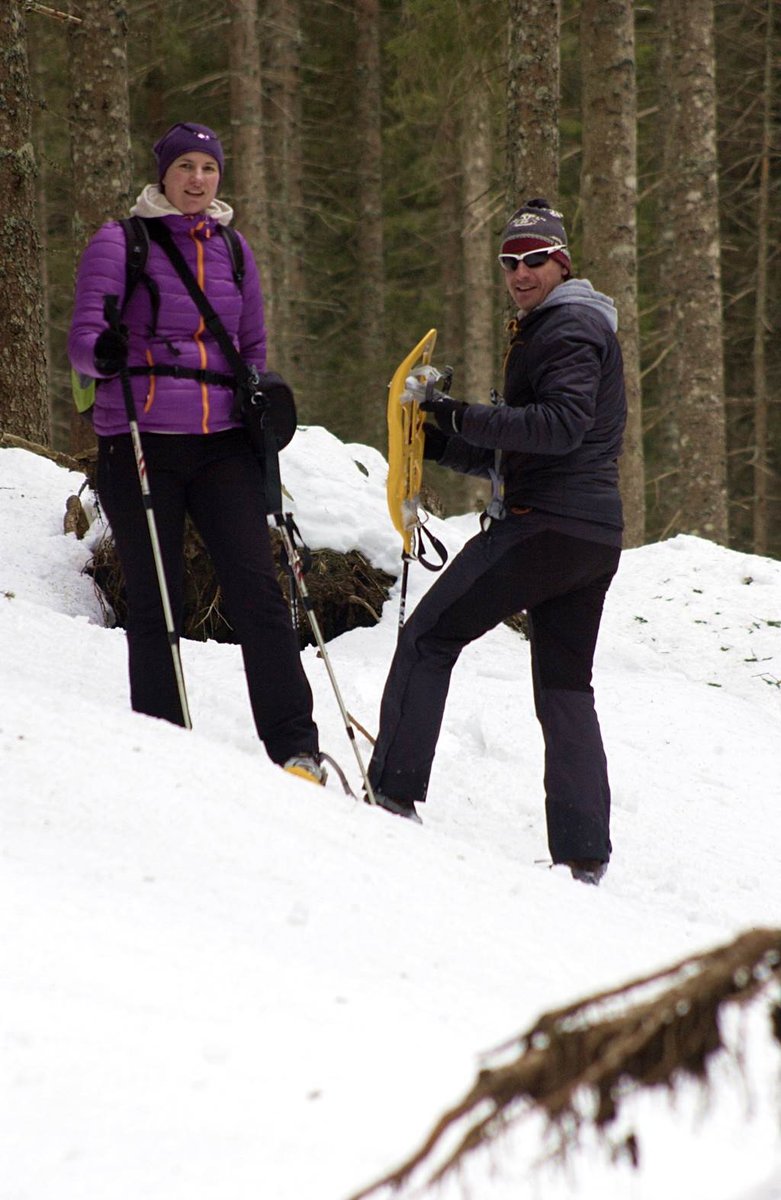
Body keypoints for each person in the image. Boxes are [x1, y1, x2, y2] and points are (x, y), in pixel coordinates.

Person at [367, 198, 626, 885]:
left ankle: (391, 794)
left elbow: (557, 427)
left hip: (544, 526)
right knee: (565, 688)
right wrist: (442, 440)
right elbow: (525, 448)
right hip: (590, 534)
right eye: (509, 261)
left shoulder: (567, 326)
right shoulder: (561, 326)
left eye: (533, 259)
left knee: (427, 638)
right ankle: (584, 854)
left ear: (560, 262)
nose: (520, 272)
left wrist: (456, 411)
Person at [68, 121, 324, 785]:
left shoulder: (234, 250)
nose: (197, 180)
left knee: (258, 595)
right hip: (140, 440)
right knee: (157, 598)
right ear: (163, 174)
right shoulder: (119, 242)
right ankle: (163, 743)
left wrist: (260, 397)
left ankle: (295, 748)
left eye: (207, 169)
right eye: (185, 167)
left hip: (222, 447)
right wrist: (104, 352)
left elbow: (253, 346)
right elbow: (83, 338)